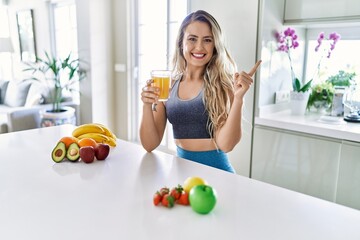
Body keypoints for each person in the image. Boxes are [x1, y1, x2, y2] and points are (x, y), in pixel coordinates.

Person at [139, 10, 261, 173]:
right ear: (181, 43)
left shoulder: (222, 86)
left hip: (218, 174)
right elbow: (149, 144)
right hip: (182, 175)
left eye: (207, 40)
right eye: (192, 39)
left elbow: (226, 145)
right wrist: (147, 105)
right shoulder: (169, 85)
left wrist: (238, 99)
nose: (199, 47)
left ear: (215, 45)